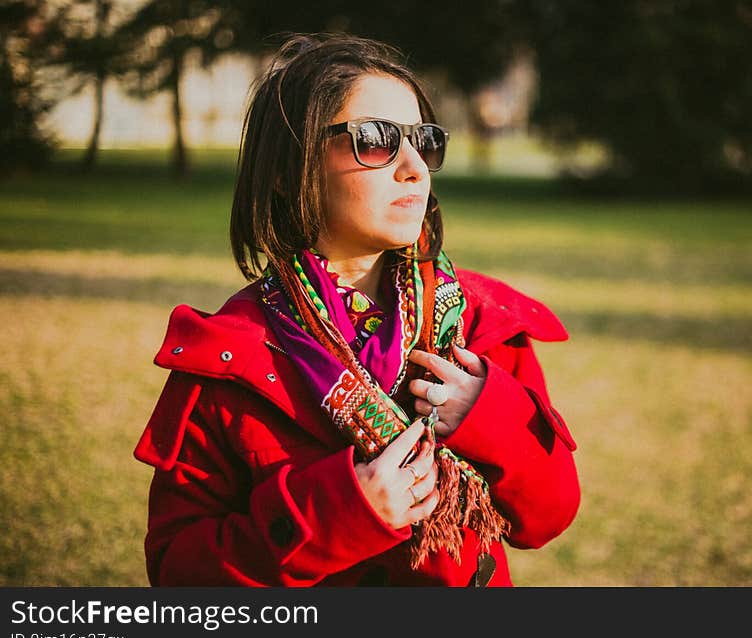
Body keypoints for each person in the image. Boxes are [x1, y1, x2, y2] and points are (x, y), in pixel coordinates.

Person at [134, 33, 580, 587]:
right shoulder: (231, 357)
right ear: (286, 167)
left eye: (424, 140)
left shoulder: (480, 325)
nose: (415, 166)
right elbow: (180, 578)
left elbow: (549, 515)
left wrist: (486, 416)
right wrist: (341, 511)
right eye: (376, 139)